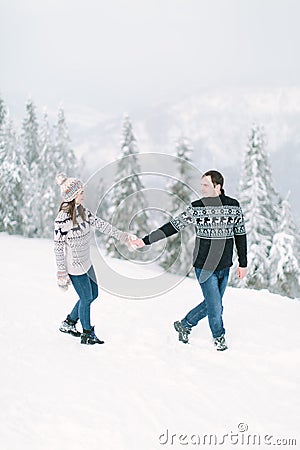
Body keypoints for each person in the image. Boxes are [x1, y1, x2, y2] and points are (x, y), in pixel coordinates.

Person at [132, 170, 247, 351]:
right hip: (204, 266)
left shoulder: (233, 207)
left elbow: (240, 235)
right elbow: (173, 226)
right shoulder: (197, 208)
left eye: (206, 185)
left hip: (225, 266)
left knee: (211, 304)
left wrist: (243, 263)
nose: (201, 188)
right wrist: (145, 240)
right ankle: (219, 337)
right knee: (216, 307)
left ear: (218, 187)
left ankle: (185, 324)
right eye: (201, 184)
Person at [54, 173, 132, 345]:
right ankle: (87, 333)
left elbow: (101, 224)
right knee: (86, 298)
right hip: (74, 267)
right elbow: (58, 247)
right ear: (73, 195)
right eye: (81, 192)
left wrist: (121, 236)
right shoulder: (62, 219)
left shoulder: (83, 212)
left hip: (86, 263)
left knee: (93, 294)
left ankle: (69, 323)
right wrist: (61, 271)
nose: (84, 194)